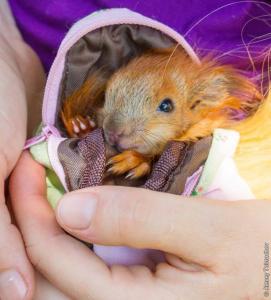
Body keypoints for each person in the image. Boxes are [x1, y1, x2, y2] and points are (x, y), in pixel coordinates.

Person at [1, 0, 271, 299]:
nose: (120, 130)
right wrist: (6, 43)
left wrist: (266, 270)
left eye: (164, 106)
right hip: (30, 92)